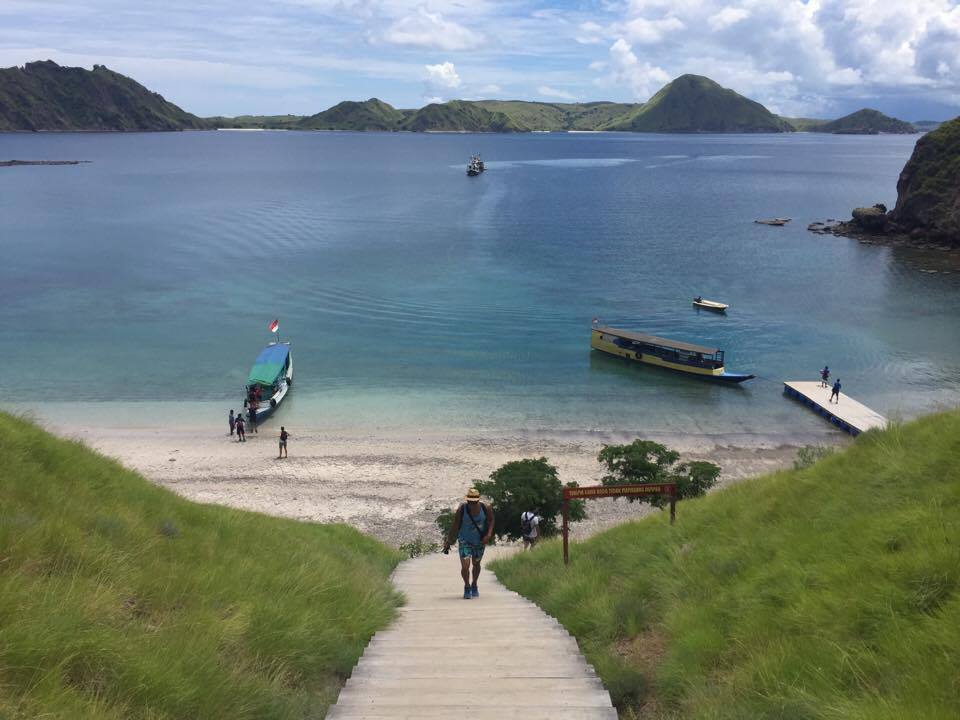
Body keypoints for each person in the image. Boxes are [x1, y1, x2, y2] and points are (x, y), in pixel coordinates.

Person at [443, 488, 495, 599]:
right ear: (467, 501)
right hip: (464, 541)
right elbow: (455, 526)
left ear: (478, 500)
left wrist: (489, 535)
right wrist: (449, 541)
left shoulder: (486, 508)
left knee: (476, 564)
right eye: (470, 502)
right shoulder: (462, 509)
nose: (472, 504)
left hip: (480, 541)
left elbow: (491, 521)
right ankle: (467, 586)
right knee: (465, 566)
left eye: (474, 501)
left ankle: (474, 583)